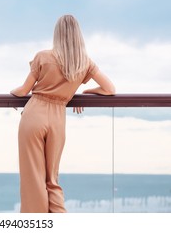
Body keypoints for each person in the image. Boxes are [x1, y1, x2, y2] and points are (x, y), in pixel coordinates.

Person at [10, 14, 115, 213]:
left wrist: (12, 92)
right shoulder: (84, 62)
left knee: (33, 178)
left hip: (35, 114)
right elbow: (110, 89)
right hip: (58, 118)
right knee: (52, 178)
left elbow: (23, 91)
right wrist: (86, 91)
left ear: (57, 33)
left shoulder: (43, 56)